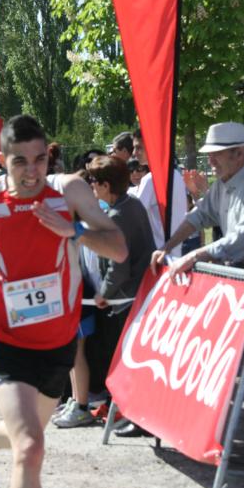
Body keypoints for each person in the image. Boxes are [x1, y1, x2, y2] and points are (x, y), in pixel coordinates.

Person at [0, 115, 127, 488]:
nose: (32, 171)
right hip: (5, 342)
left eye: (39, 159)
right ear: (3, 160)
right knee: (31, 447)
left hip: (57, 346)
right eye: (20, 161)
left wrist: (76, 230)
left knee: (25, 434)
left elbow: (118, 248)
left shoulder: (68, 192)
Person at [150, 121, 244, 458]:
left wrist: (191, 253)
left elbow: (241, 239)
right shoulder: (228, 183)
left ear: (239, 153)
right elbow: (200, 216)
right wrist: (169, 246)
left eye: (217, 155)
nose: (211, 162)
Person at [54, 155, 154, 430]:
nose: (91, 187)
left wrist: (105, 293)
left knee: (126, 358)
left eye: (94, 182)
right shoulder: (129, 205)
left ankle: (136, 415)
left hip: (126, 298)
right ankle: (124, 408)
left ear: (107, 185)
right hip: (131, 294)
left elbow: (118, 264)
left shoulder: (120, 214)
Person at [131, 129, 188, 257]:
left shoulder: (151, 179)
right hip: (176, 251)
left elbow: (132, 216)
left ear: (152, 146)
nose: (134, 153)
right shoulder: (176, 175)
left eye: (138, 148)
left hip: (161, 254)